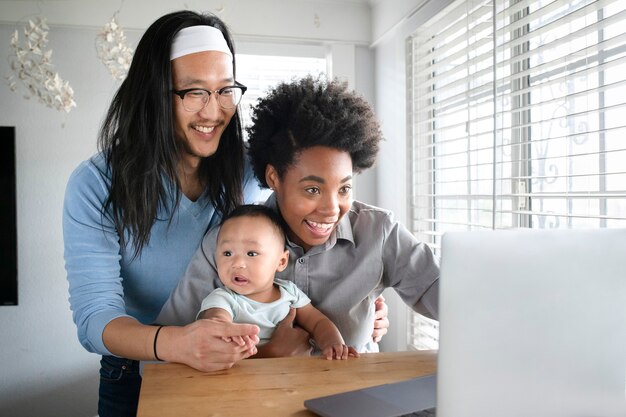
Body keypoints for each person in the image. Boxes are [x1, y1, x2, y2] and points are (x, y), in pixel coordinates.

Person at [63, 11, 268, 417]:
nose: (214, 112)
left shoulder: (253, 170)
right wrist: (177, 343)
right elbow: (95, 318)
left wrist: (350, 293)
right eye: (194, 92)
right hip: (135, 375)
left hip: (245, 365)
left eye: (225, 90)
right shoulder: (95, 185)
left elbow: (305, 236)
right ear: (155, 95)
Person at [157, 76, 439, 356]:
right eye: (313, 189)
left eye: (344, 188)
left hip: (352, 394)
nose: (331, 209)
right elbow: (169, 351)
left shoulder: (379, 233)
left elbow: (447, 298)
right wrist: (267, 358)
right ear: (273, 177)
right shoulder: (228, 243)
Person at [199, 204, 358, 360]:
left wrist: (333, 343)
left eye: (252, 253)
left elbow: (318, 322)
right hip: (245, 379)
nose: (237, 263)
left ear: (281, 262)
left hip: (291, 380)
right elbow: (216, 322)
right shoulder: (223, 299)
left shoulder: (289, 293)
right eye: (227, 253)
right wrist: (222, 328)